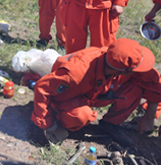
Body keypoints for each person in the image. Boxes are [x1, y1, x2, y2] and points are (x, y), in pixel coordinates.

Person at [31, 38, 161, 146]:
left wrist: (150, 116)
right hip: (69, 95)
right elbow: (42, 87)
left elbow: (155, 82)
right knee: (82, 115)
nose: (140, 70)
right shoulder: (76, 73)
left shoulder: (116, 59)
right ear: (124, 71)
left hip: (95, 93)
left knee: (135, 88)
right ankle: (62, 118)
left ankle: (110, 124)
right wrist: (47, 124)